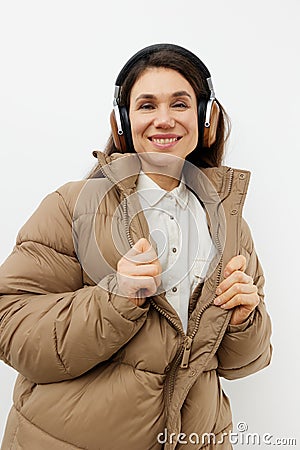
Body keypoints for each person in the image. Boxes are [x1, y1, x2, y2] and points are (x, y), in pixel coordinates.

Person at [0, 43, 272, 450]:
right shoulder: (73, 206)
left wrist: (242, 321)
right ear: (122, 122)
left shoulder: (232, 226)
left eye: (180, 103)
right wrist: (115, 297)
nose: (164, 120)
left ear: (205, 117)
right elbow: (12, 327)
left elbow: (244, 362)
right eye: (147, 105)